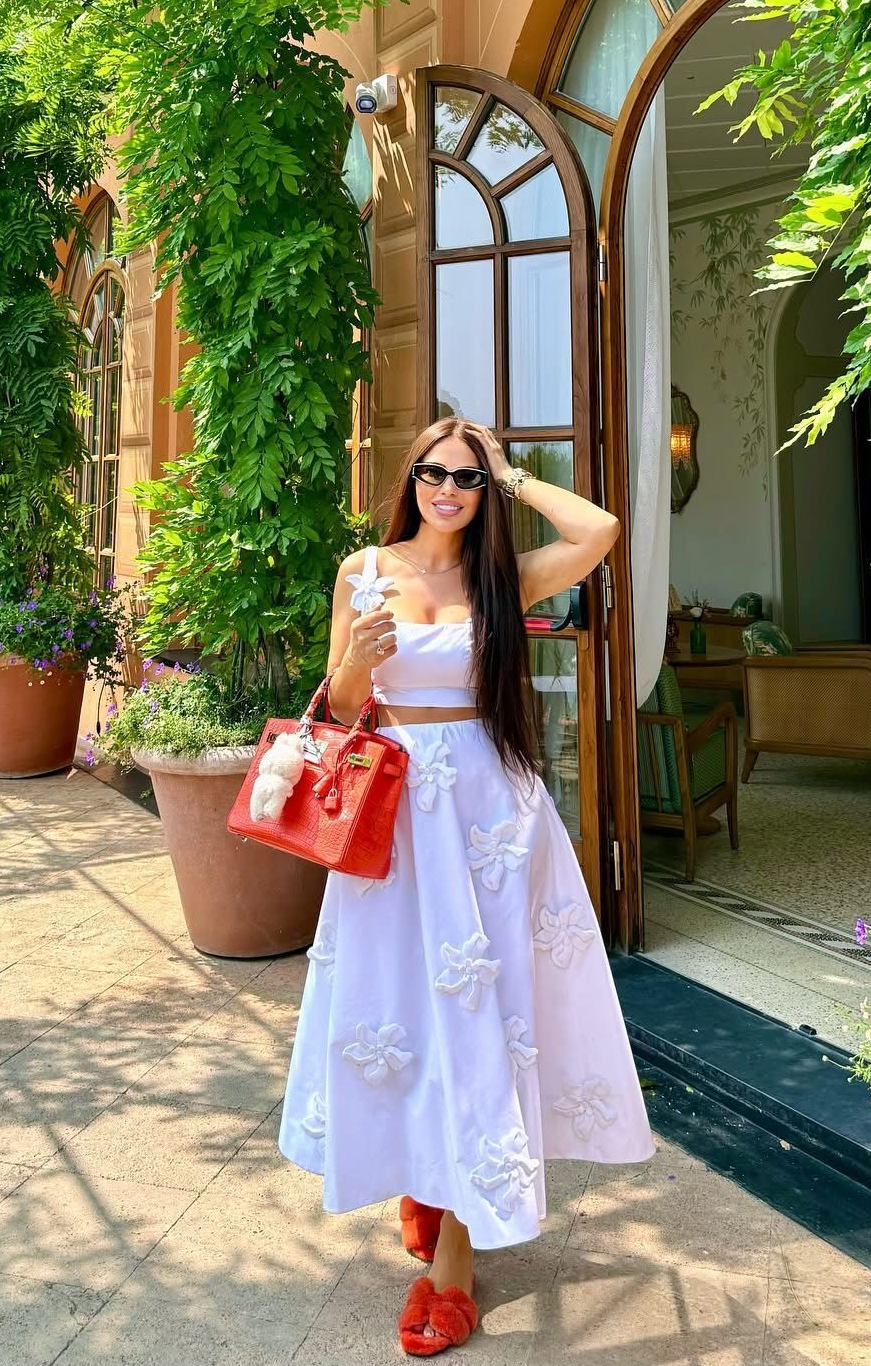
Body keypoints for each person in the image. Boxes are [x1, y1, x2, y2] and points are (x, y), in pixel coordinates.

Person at [278, 417, 654, 1356]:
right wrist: (358, 661)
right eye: (434, 473)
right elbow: (344, 703)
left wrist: (510, 472)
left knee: (481, 1015)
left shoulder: (502, 577)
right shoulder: (365, 570)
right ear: (410, 478)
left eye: (466, 478)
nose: (448, 489)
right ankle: (424, 1176)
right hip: (398, 811)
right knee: (403, 1006)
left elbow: (600, 531)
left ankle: (453, 1258)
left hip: (490, 817)